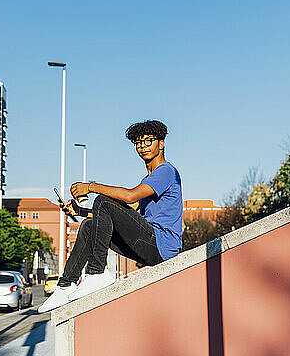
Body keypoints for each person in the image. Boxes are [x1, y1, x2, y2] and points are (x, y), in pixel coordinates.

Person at [38, 120, 183, 312]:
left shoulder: (166, 172)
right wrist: (79, 211)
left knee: (103, 201)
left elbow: (129, 196)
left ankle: (97, 272)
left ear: (161, 143)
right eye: (138, 143)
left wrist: (90, 187)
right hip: (149, 244)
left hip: (161, 245)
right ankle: (66, 285)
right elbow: (125, 211)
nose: (143, 147)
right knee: (89, 226)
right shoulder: (149, 180)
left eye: (148, 141)